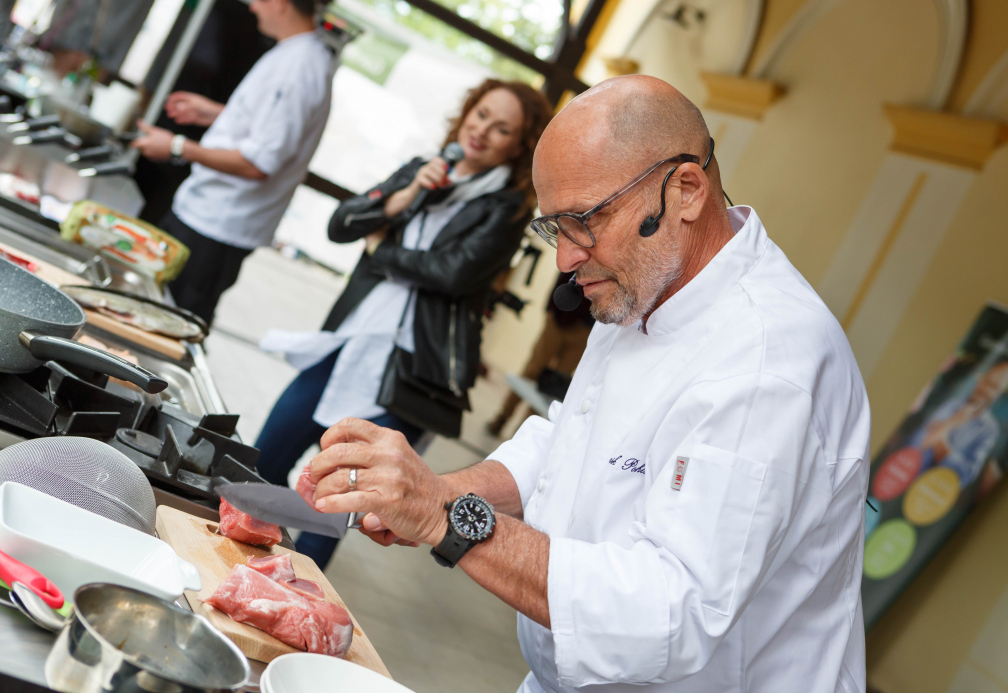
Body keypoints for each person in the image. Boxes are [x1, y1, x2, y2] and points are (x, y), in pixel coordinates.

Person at [303, 75, 871, 692]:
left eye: (584, 220)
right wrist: (437, 490)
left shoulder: (768, 364)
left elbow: (668, 617)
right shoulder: (645, 279)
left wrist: (447, 516)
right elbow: (569, 440)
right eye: (554, 227)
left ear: (683, 189)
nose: (565, 260)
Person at [255, 78, 553, 569]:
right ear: (465, 114)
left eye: (501, 129)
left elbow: (453, 274)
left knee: (333, 503)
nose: (482, 131)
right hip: (350, 342)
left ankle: (285, 597)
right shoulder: (424, 171)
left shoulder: (506, 208)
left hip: (411, 373)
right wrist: (412, 191)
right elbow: (343, 223)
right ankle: (230, 553)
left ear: (519, 145)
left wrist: (382, 249)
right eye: (480, 115)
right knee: (264, 457)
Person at [131, 0, 337, 325]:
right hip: (205, 214)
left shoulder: (300, 67)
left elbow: (258, 164)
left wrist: (177, 146)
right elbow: (271, 130)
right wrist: (212, 112)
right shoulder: (294, 53)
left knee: (168, 323)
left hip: (218, 227)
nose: (253, 7)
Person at [487, 271, 594, 437]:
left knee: (552, 387)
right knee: (532, 370)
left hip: (584, 331)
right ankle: (502, 417)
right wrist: (550, 308)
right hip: (558, 320)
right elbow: (563, 276)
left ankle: (524, 433)